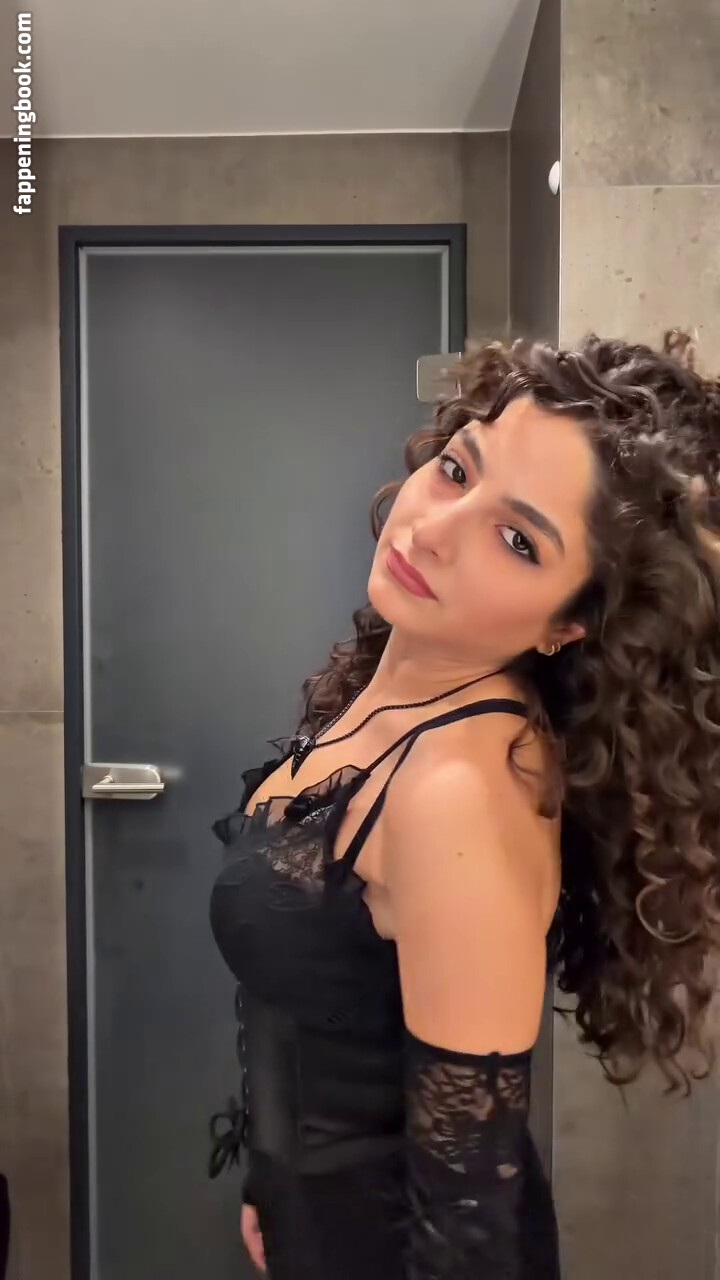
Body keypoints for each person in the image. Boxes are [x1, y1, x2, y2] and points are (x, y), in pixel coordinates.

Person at [208, 330, 720, 1278]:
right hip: (314, 1217)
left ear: (571, 622)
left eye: (518, 540)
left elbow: (470, 1217)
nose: (434, 528)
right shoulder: (399, 683)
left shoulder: (459, 797)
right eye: (457, 470)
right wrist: (271, 1183)